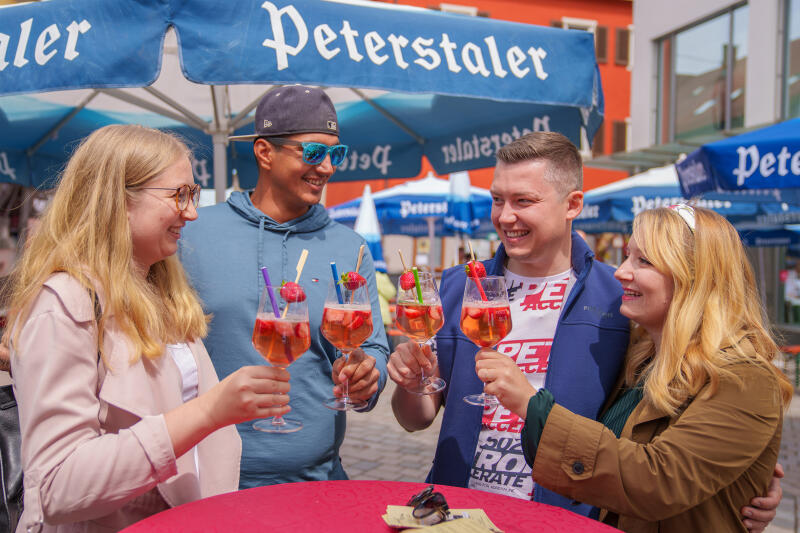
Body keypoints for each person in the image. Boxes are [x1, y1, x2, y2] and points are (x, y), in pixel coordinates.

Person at [387, 132, 782, 530]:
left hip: (570, 517)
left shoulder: (620, 299)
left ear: (573, 204)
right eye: (497, 199)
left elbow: (683, 429)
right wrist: (411, 381)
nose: (505, 216)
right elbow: (416, 418)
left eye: (524, 201)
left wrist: (744, 474)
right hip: (460, 511)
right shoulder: (459, 287)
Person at [5, 125, 292, 532]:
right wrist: (209, 412)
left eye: (193, 195)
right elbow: (56, 485)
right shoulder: (63, 303)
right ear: (117, 200)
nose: (192, 213)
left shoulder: (161, 288)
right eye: (180, 195)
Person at [488, 205, 793, 532]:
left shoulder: (744, 378)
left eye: (643, 261)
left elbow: (660, 480)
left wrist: (533, 408)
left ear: (695, 278)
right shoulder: (642, 357)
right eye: (628, 255)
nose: (621, 271)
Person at [179, 85, 389, 488]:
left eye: (335, 153)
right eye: (313, 152)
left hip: (318, 482)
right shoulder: (192, 234)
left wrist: (369, 374)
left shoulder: (349, 247)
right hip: (207, 482)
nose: (327, 167)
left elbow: (374, 344)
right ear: (264, 152)